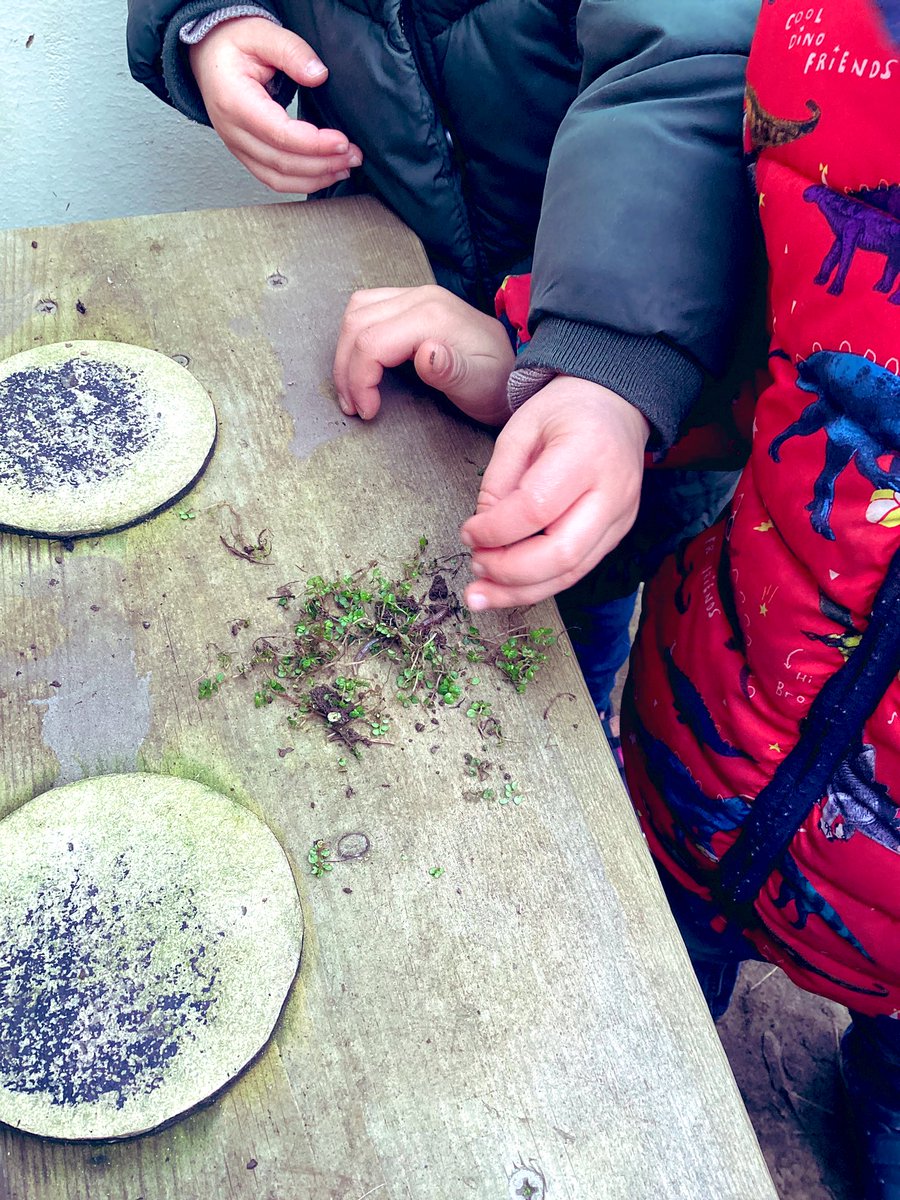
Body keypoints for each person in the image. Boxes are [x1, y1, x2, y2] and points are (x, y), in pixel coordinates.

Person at [324, 5, 900, 1193]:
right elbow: (796, 348)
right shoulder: (836, 43)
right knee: (634, 1019)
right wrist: (580, 366)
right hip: (706, 755)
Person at [126, 0, 760, 738]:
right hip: (390, 329)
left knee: (563, 639)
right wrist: (212, 23)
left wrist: (605, 360)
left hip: (628, 378)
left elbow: (691, 69)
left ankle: (585, 726)